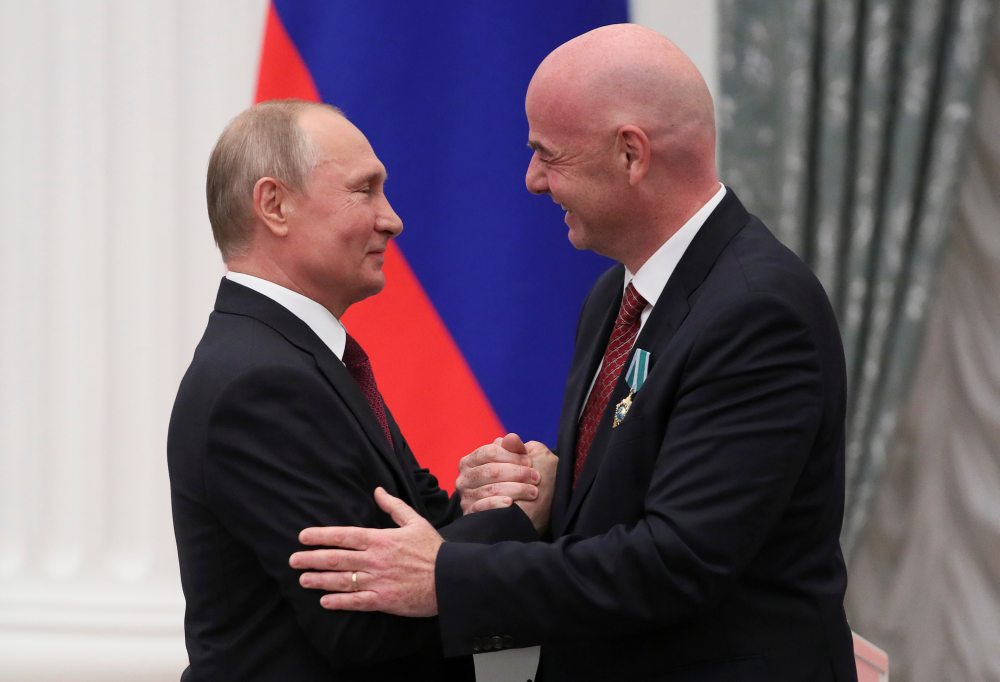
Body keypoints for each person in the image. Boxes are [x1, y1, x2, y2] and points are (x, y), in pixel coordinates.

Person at [289, 24, 859, 682]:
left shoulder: (758, 309)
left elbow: (677, 564)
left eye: (548, 154)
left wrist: (446, 574)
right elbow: (643, 504)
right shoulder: (613, 301)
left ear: (631, 155)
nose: (531, 180)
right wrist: (551, 494)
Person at [167, 99, 551, 681]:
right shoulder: (262, 383)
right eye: (364, 190)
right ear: (274, 205)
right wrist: (521, 516)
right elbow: (364, 618)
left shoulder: (303, 359)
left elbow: (410, 543)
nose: (392, 219)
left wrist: (486, 500)